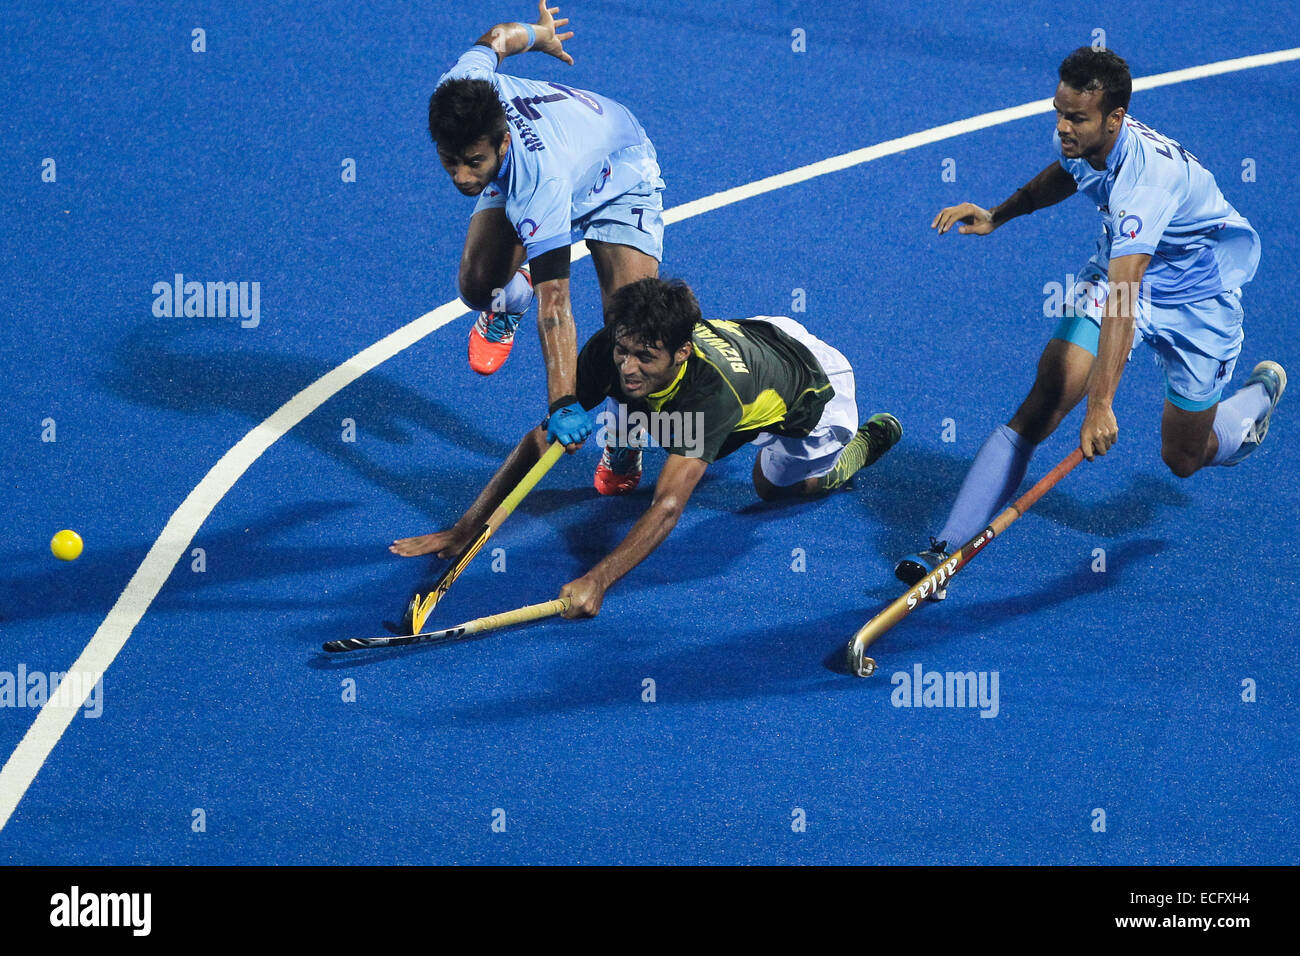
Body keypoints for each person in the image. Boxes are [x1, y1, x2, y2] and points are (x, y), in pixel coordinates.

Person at [896, 47, 1285, 600]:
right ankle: (945, 551)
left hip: (1198, 300)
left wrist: (1101, 405)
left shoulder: (1146, 186)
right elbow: (1067, 174)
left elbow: (1126, 298)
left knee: (1182, 458)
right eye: (1059, 111)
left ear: (1114, 119)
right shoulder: (1083, 138)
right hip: (1121, 276)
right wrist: (998, 214)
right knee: (1047, 397)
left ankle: (1250, 407)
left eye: (1075, 118)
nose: (1062, 126)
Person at [391, 278, 902, 617]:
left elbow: (668, 506)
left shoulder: (711, 397)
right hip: (763, 337)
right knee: (637, 397)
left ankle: (854, 453)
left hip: (815, 391)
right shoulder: (614, 350)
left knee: (769, 486)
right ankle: (633, 433)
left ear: (681, 352)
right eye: (623, 350)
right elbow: (539, 439)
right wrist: (464, 529)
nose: (628, 365)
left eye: (644, 356)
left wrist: (598, 579)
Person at [428, 2, 666, 481]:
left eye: (473, 163)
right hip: (538, 163)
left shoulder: (541, 182)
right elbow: (497, 38)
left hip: (618, 173)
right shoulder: (460, 90)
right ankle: (507, 303)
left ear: (502, 143)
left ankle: (624, 436)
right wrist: (539, 34)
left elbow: (555, 301)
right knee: (478, 287)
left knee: (633, 328)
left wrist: (563, 401)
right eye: (450, 161)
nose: (461, 177)